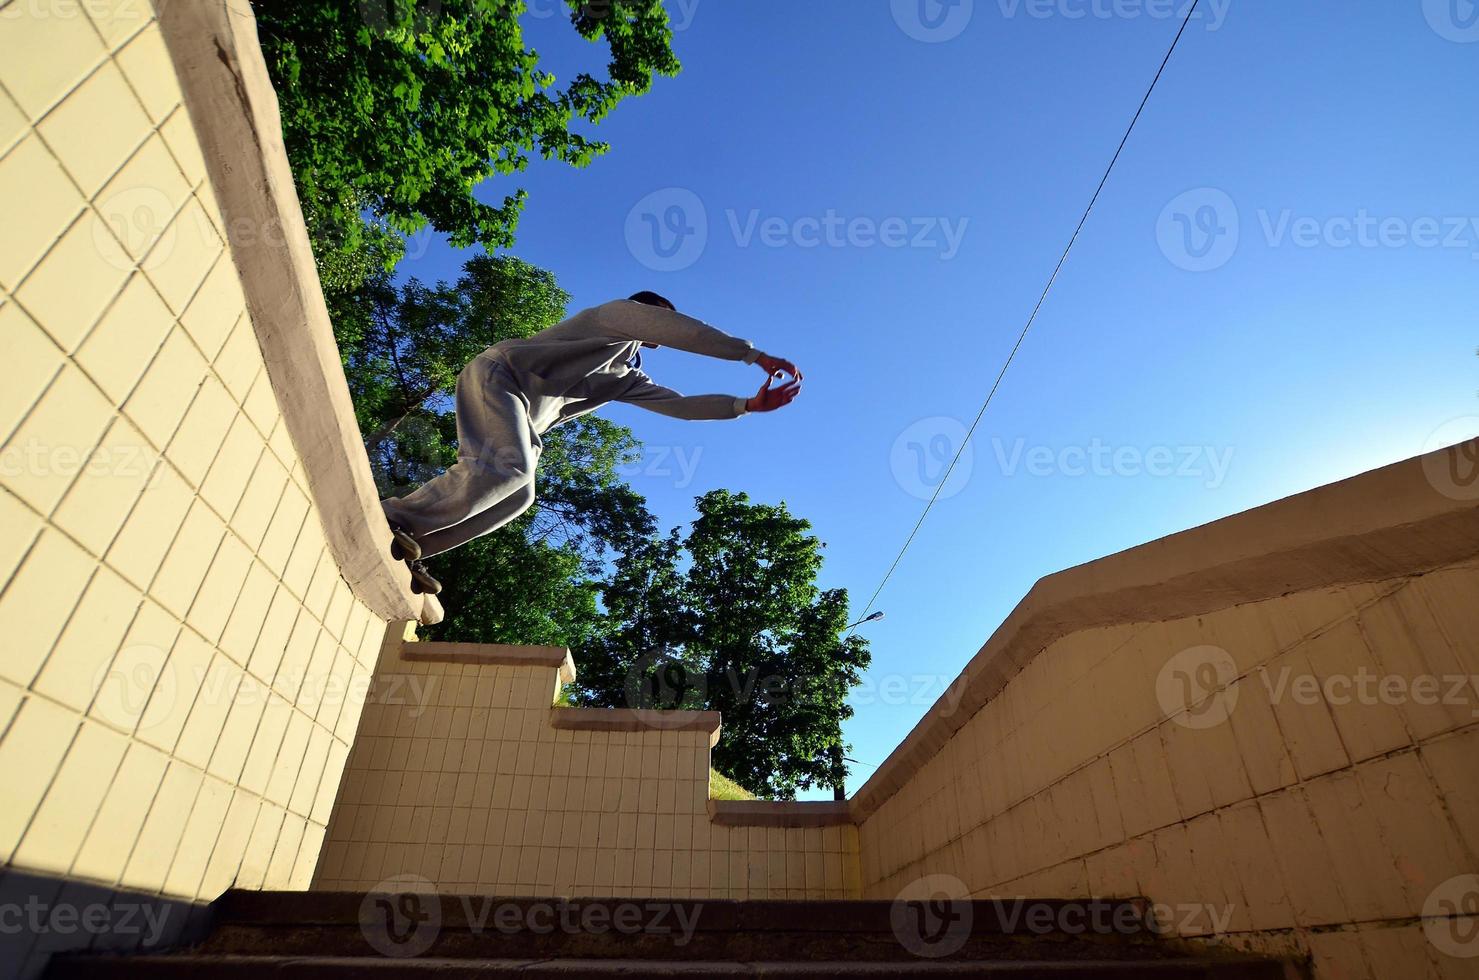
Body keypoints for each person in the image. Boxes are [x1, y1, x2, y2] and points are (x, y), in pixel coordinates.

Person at [382, 291, 803, 594]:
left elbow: (679, 407)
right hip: (501, 375)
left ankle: (417, 547)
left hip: (524, 415)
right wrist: (752, 356)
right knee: (508, 468)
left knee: (520, 493)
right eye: (659, 320)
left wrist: (745, 404)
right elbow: (682, 331)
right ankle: (396, 517)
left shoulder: (625, 377)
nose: (663, 331)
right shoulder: (613, 314)